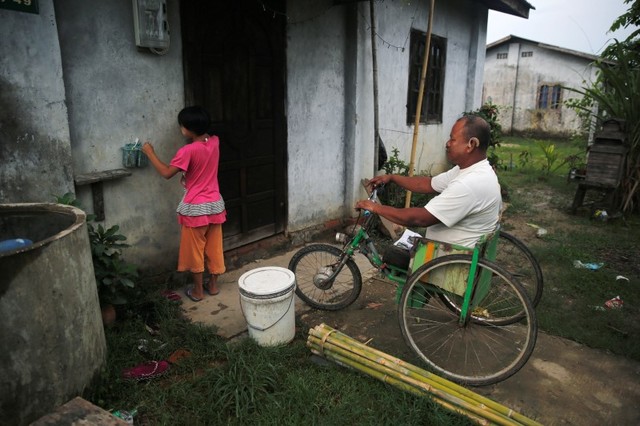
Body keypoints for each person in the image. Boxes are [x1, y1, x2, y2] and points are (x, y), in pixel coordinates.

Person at [355, 114, 501, 248]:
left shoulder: (469, 184)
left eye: (453, 139)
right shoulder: (472, 170)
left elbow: (420, 219)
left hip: (445, 258)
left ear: (471, 144)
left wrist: (376, 208)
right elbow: (427, 184)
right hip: (448, 249)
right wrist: (392, 178)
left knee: (392, 255)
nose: (448, 143)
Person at [142, 106, 226, 302]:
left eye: (181, 125)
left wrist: (150, 152)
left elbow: (166, 173)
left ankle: (197, 291)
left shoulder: (187, 151)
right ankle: (212, 286)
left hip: (195, 208)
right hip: (215, 204)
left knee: (194, 251)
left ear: (186, 129)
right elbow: (206, 142)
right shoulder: (214, 142)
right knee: (214, 248)